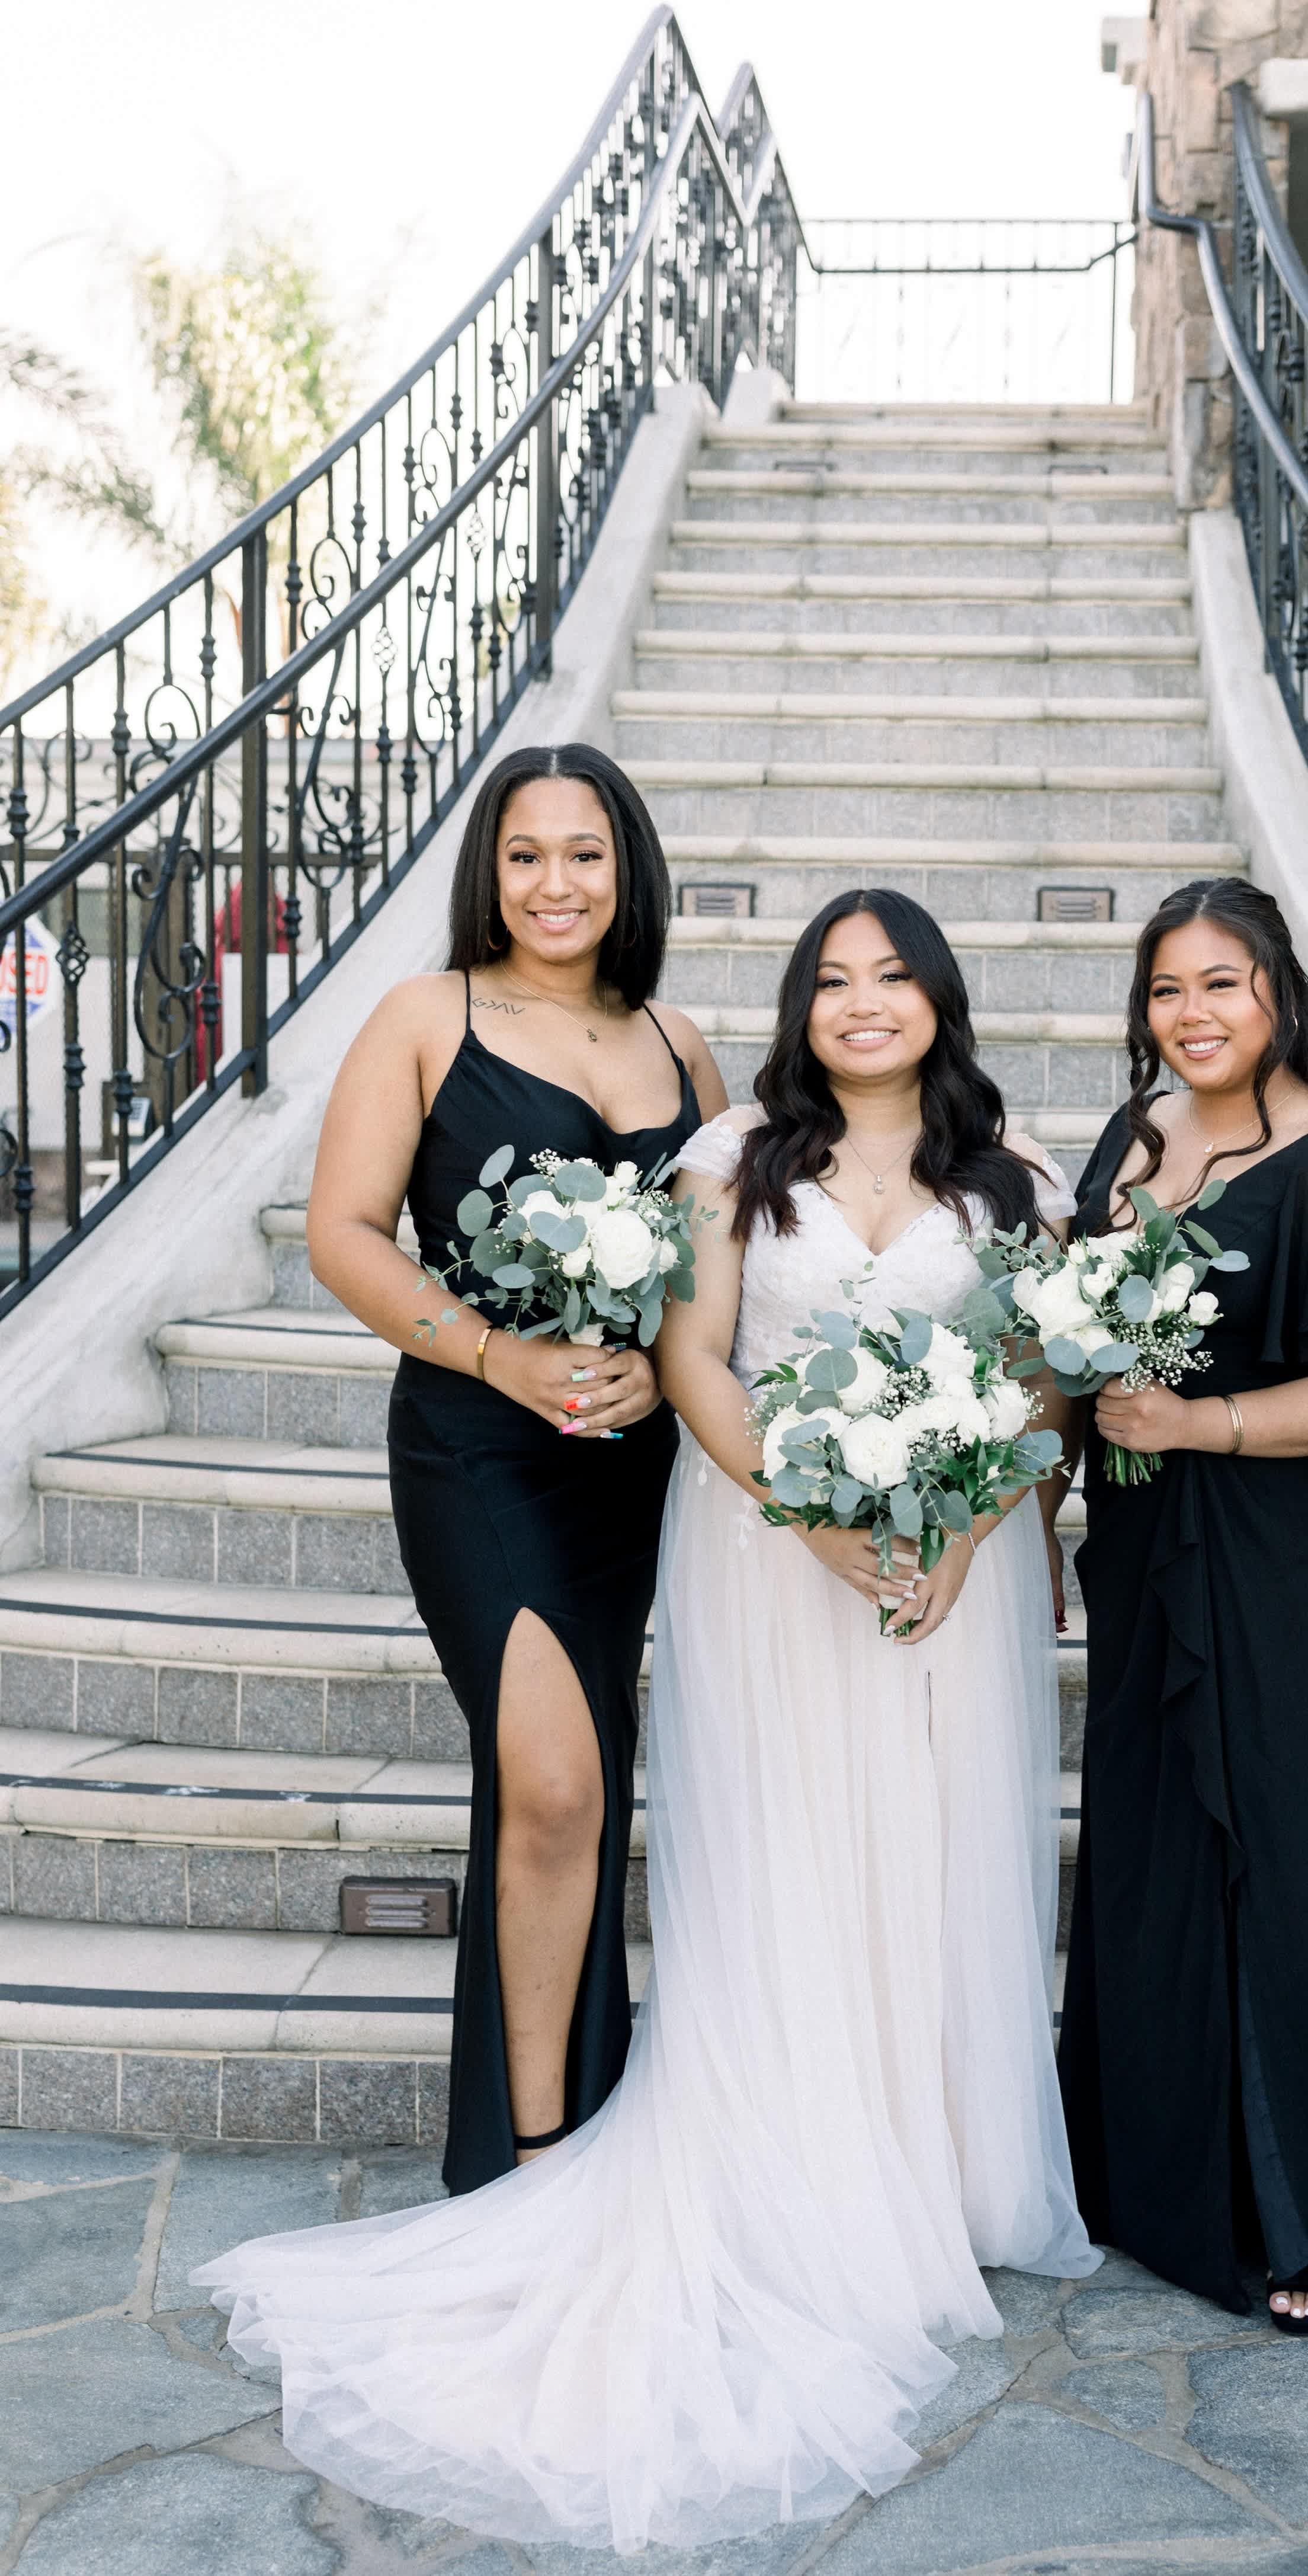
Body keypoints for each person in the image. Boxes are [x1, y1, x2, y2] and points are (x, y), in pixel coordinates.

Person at [195, 887, 1095, 2556]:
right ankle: (788, 2159)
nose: (864, 1001)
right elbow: (695, 1362)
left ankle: (941, 2164)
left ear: (942, 998)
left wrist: (972, 1530)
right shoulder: (732, 1156)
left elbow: (1042, 1381)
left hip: (946, 1576)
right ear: (797, 1007)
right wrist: (814, 1519)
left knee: (938, 1848)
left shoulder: (1016, 1178)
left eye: (895, 976)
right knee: (786, 1853)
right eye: (833, 979)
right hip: (771, 1562)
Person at [302, 741, 724, 2192]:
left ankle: (563, 2114)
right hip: (478, 1445)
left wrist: (665, 1366)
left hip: (629, 1462)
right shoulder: (429, 1016)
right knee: (551, 1784)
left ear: (627, 868)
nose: (556, 882)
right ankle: (532, 2167)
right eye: (526, 853)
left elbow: (713, 1276)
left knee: (587, 1774)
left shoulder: (678, 1041)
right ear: (488, 871)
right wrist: (498, 1354)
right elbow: (344, 1232)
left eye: (585, 853)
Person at [1055, 876, 1308, 2334]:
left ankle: (1295, 2214)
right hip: (1143, 1546)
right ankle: (1154, 2182)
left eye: (1220, 983)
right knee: (1158, 1852)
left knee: (1276, 1865)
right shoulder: (1134, 1135)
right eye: (1167, 989)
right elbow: (1072, 1343)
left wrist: (1202, 1424)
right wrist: (1037, 1504)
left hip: (1285, 1555)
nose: (1192, 1013)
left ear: (1278, 991)